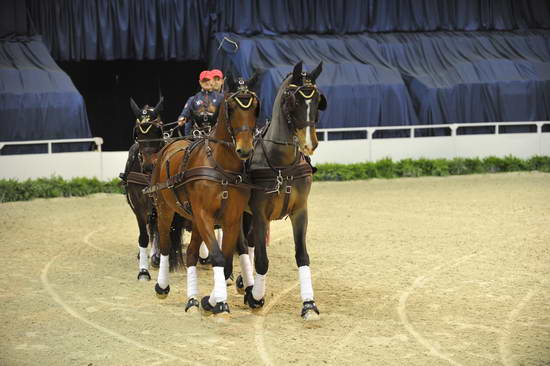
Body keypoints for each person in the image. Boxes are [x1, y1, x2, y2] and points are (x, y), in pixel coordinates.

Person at [177, 70, 222, 136]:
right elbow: (184, 114)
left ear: (212, 81)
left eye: (209, 80)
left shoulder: (221, 98)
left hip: (216, 134)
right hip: (198, 135)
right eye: (204, 81)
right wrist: (181, 119)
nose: (207, 82)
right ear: (200, 82)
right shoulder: (193, 99)